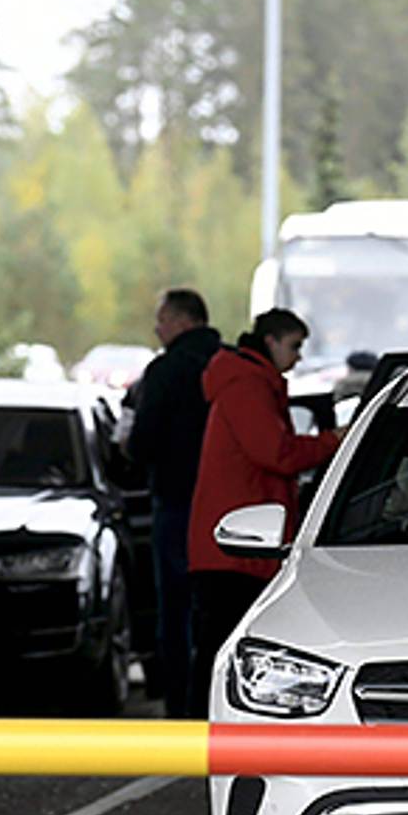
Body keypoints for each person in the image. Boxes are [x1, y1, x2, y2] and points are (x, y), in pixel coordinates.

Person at [186, 308, 342, 717]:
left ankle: (200, 734)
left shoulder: (248, 382)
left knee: (219, 646)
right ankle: (203, 734)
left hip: (236, 540)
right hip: (238, 544)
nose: (298, 357)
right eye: (294, 346)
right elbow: (277, 453)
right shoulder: (247, 386)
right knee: (222, 651)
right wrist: (334, 442)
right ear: (271, 342)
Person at [127, 288, 223, 716]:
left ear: (184, 322)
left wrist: (131, 448)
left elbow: (143, 442)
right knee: (220, 608)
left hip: (177, 502)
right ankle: (217, 704)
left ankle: (181, 709)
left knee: (176, 610)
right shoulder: (233, 365)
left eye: (162, 319)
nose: (157, 328)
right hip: (229, 507)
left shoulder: (166, 371)